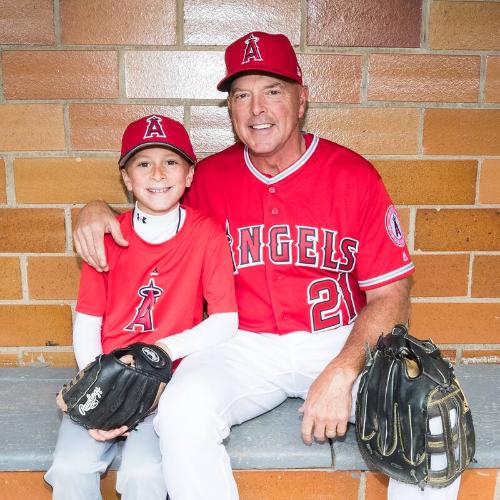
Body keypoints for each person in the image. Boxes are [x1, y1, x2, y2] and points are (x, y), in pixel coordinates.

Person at [74, 33, 461, 500]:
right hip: (241, 344)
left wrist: (342, 372)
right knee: (181, 415)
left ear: (301, 101)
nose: (257, 108)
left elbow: (391, 294)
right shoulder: (206, 179)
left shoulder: (353, 175)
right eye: (242, 95)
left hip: (336, 339)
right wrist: (96, 209)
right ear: (231, 110)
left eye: (272, 91)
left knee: (429, 418)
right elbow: (148, 203)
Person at [45, 114, 238, 500]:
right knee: (69, 469)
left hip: (167, 384)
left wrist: (160, 354)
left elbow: (225, 322)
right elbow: (88, 323)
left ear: (189, 176)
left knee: (144, 475)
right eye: (143, 163)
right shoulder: (108, 236)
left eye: (171, 162)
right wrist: (99, 390)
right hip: (107, 374)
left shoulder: (206, 234)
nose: (157, 174)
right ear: (127, 178)